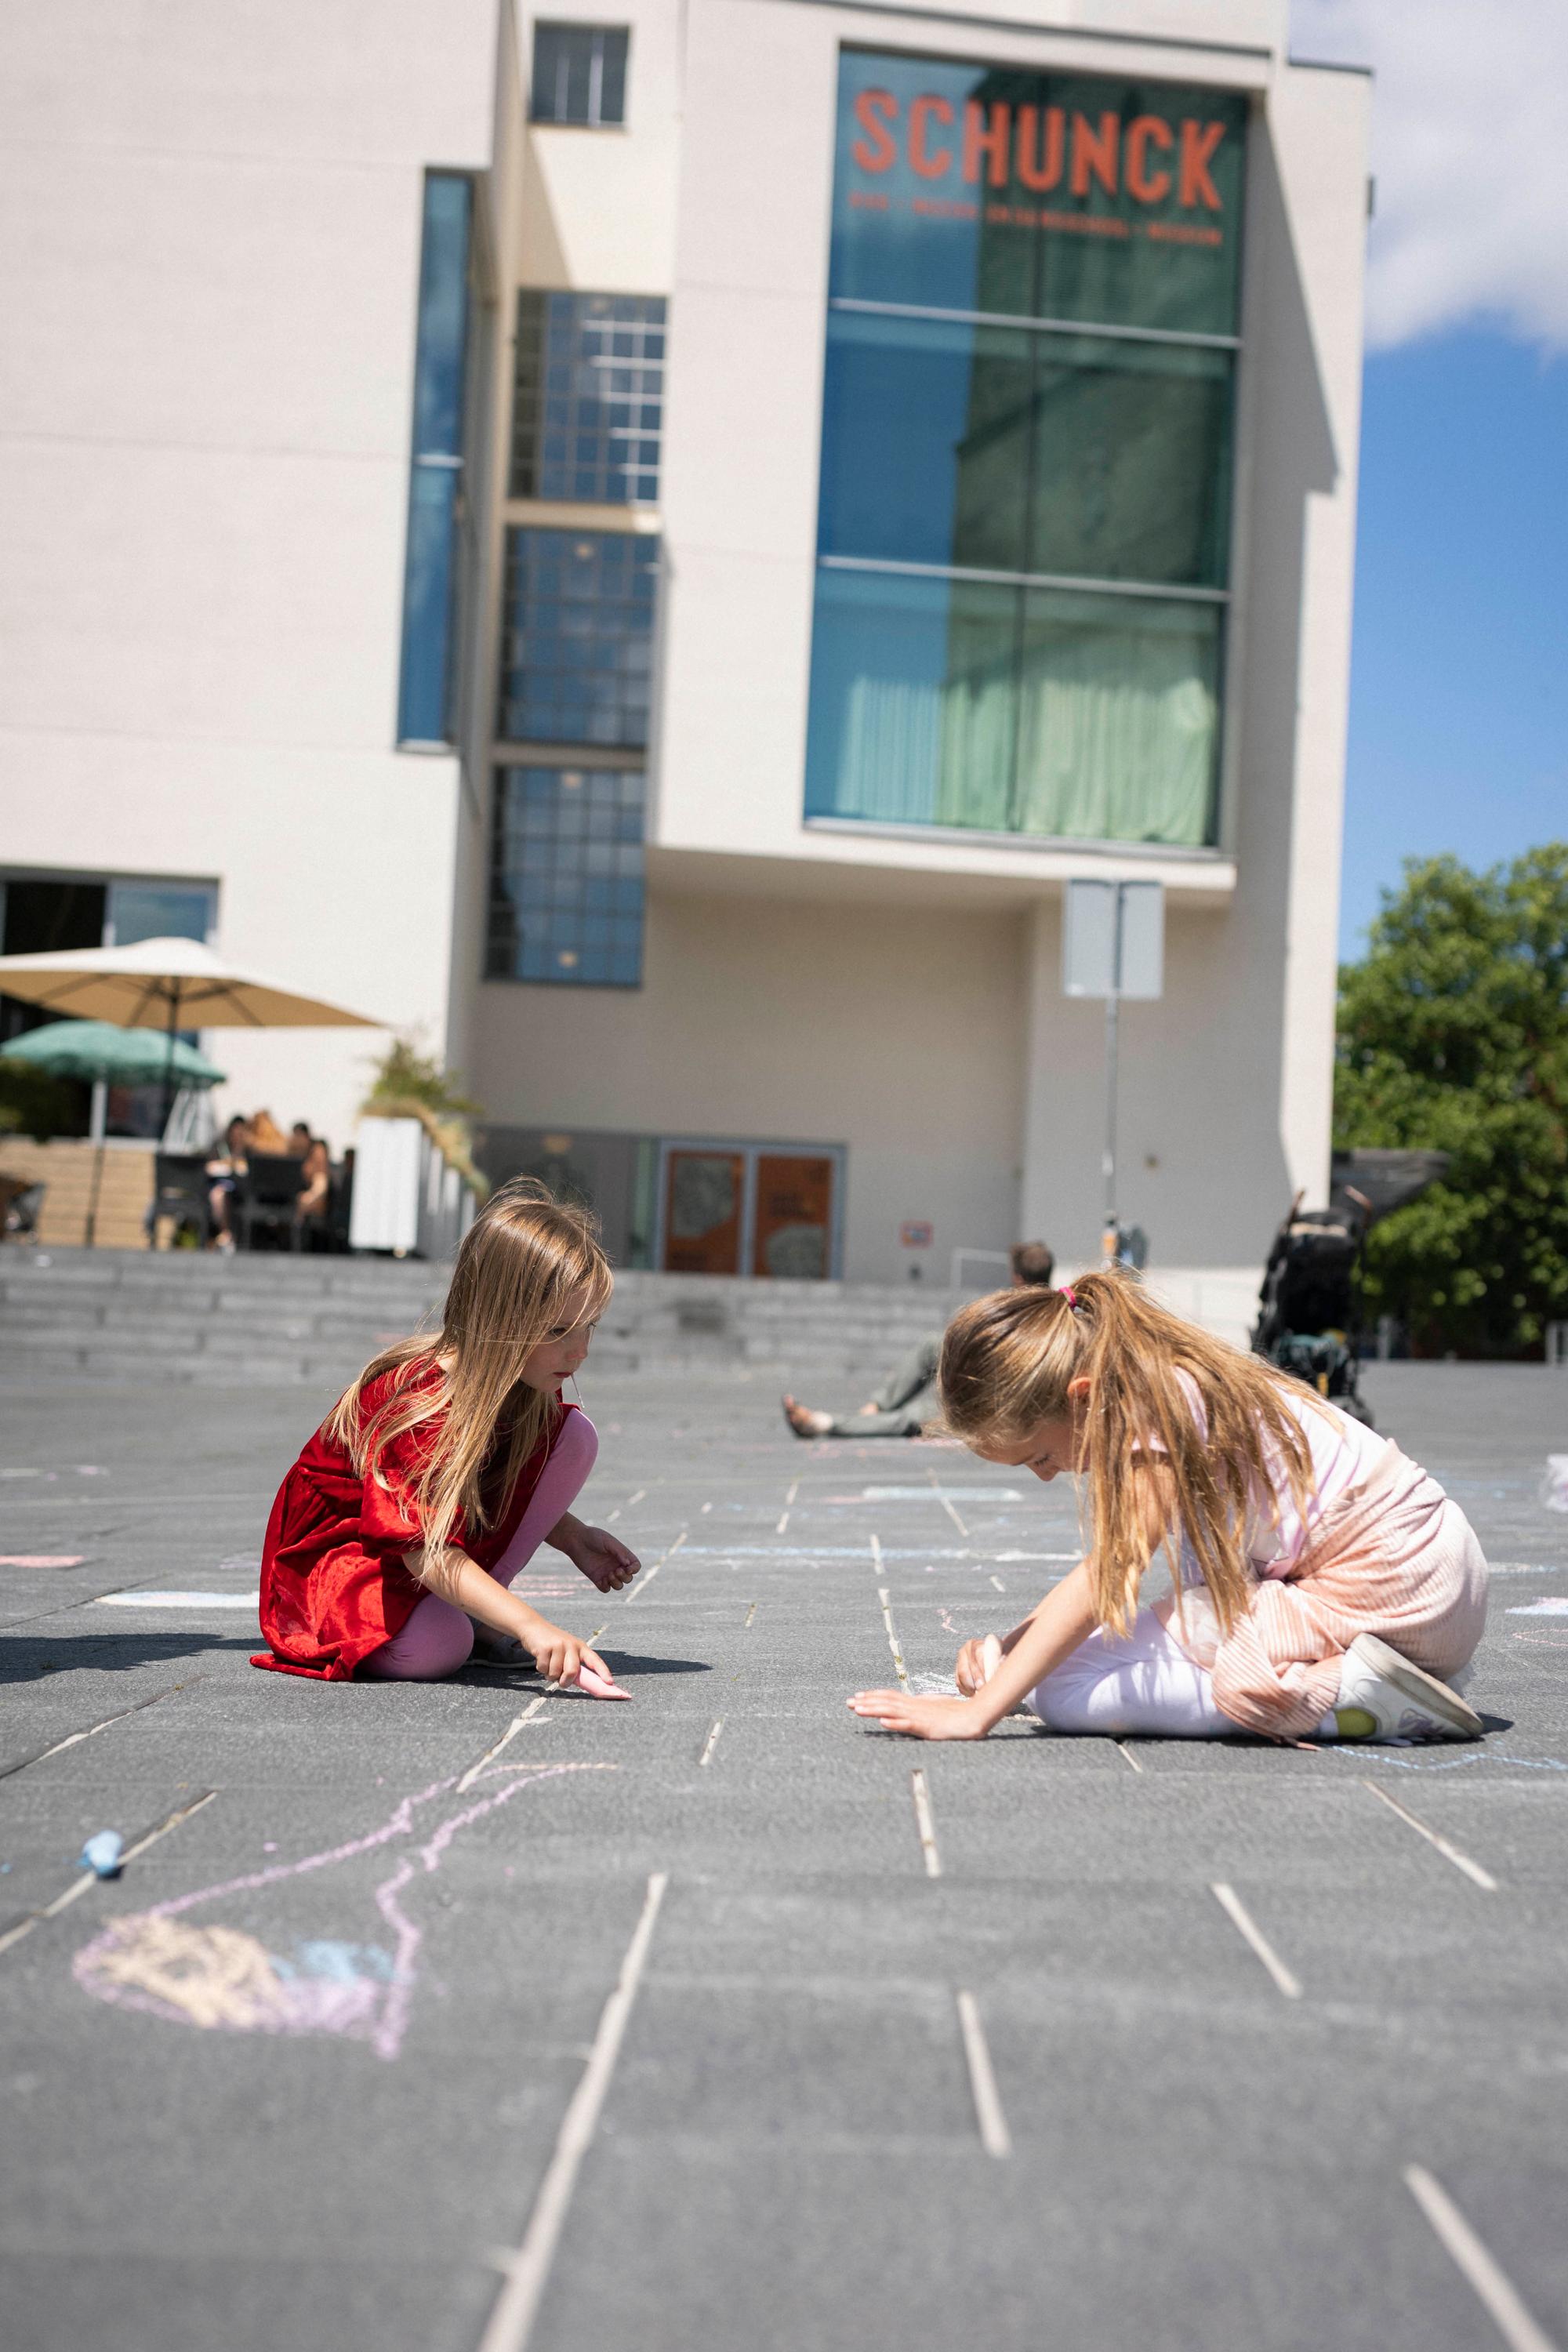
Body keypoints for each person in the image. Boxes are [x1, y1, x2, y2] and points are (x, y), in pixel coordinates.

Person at [848, 1269, 1487, 1745]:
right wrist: (1008, 1651)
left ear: (1082, 1397)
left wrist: (979, 1713)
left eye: (1038, 1457)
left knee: (1067, 1692)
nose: (1047, 1477)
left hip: (1395, 1588)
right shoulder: (1162, 1376)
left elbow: (1112, 1573)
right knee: (1056, 1676)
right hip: (1433, 1570)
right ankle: (1371, 1678)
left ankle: (1356, 1697)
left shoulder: (1156, 1404)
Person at [252, 1179, 640, 1686]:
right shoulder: (419, 1400)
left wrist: (572, 1536)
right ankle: (474, 1620)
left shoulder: (516, 1385)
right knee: (438, 1646)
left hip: (419, 1550)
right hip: (344, 1565)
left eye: (591, 1326)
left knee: (572, 1437)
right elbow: (420, 1546)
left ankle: (479, 1618)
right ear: (501, 1316)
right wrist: (531, 1626)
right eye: (558, 1330)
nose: (580, 1351)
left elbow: (486, 1487)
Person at [782, 1240, 1054, 1439]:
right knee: (933, 1346)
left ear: (1017, 1277)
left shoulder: (1015, 1309)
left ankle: (825, 1423)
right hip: (989, 1381)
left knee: (914, 1418)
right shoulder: (1051, 1309)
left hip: (998, 1402)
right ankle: (876, 1406)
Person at [205, 1112, 251, 1250]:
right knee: (219, 1195)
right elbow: (209, 1167)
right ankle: (225, 1234)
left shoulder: (248, 1151)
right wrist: (228, 1165)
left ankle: (227, 1236)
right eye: (235, 1131)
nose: (238, 1135)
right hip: (222, 1186)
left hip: (242, 1191)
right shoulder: (220, 1148)